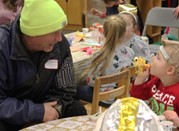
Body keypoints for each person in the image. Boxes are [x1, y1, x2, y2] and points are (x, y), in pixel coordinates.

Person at [0, 0, 87, 130]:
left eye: (60, 31)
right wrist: (36, 113)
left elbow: (65, 91)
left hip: (43, 106)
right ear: (32, 33)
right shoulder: (2, 45)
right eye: (53, 32)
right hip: (12, 114)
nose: (59, 38)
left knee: (76, 109)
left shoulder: (60, 46)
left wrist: (53, 111)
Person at [130, 39, 179, 131]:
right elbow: (137, 99)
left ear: (170, 70)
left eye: (158, 57)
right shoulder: (156, 82)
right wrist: (140, 79)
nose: (152, 58)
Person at [75, 15, 134, 105]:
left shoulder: (100, 56)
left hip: (106, 100)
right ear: (123, 33)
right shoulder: (130, 52)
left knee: (77, 89)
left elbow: (91, 82)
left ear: (104, 32)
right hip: (124, 96)